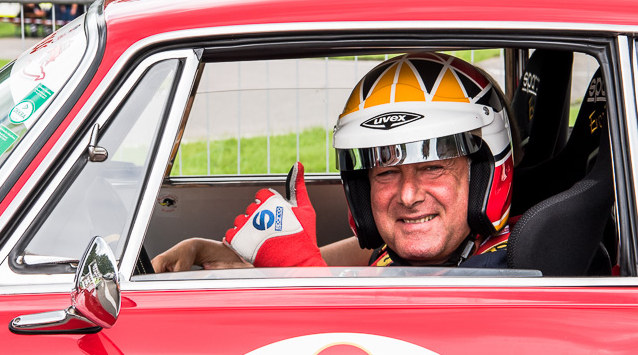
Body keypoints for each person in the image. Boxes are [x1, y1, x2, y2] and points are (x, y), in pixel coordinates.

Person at [152, 51, 515, 272]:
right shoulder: (395, 253)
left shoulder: (506, 270)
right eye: (386, 171)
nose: (407, 196)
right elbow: (333, 261)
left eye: (433, 166)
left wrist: (300, 273)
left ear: (486, 171)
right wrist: (215, 254)